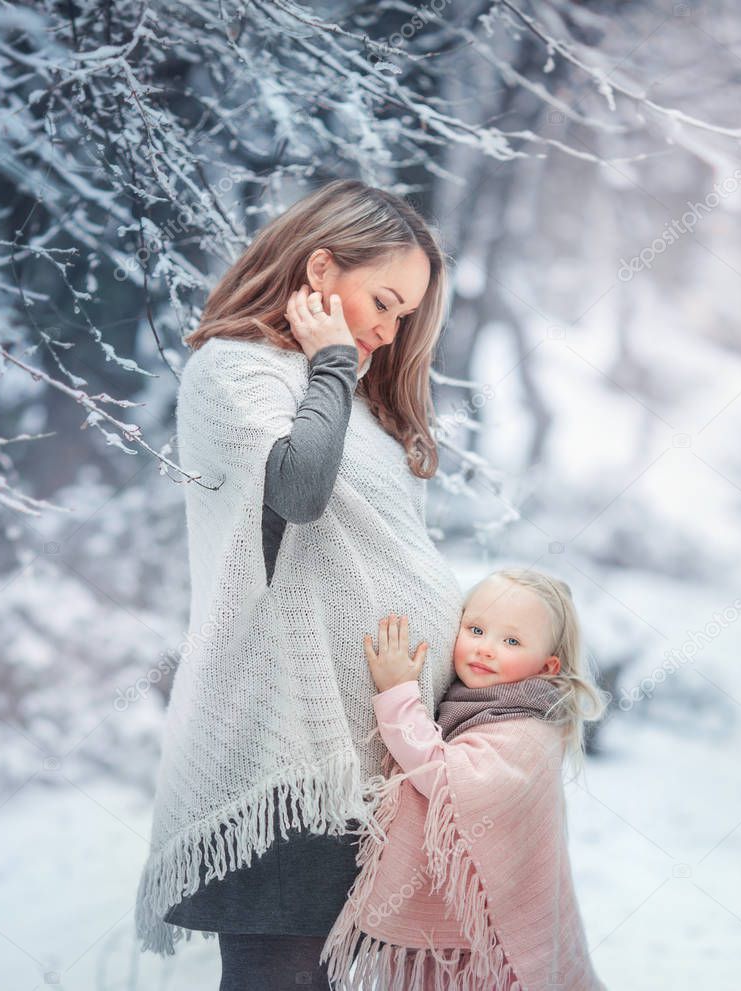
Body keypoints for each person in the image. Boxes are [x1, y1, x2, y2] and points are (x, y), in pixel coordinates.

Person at [134, 179, 467, 991]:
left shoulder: (347, 396)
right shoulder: (234, 371)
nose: (388, 333)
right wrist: (331, 363)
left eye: (403, 318)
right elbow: (299, 491)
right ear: (321, 268)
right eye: (383, 302)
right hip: (286, 757)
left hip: (377, 763)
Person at [321, 569, 610, 990]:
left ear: (547, 666)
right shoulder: (472, 704)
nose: (486, 649)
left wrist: (398, 693)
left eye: (511, 641)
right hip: (466, 946)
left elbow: (446, 778)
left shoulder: (527, 731)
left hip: (490, 953)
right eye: (476, 629)